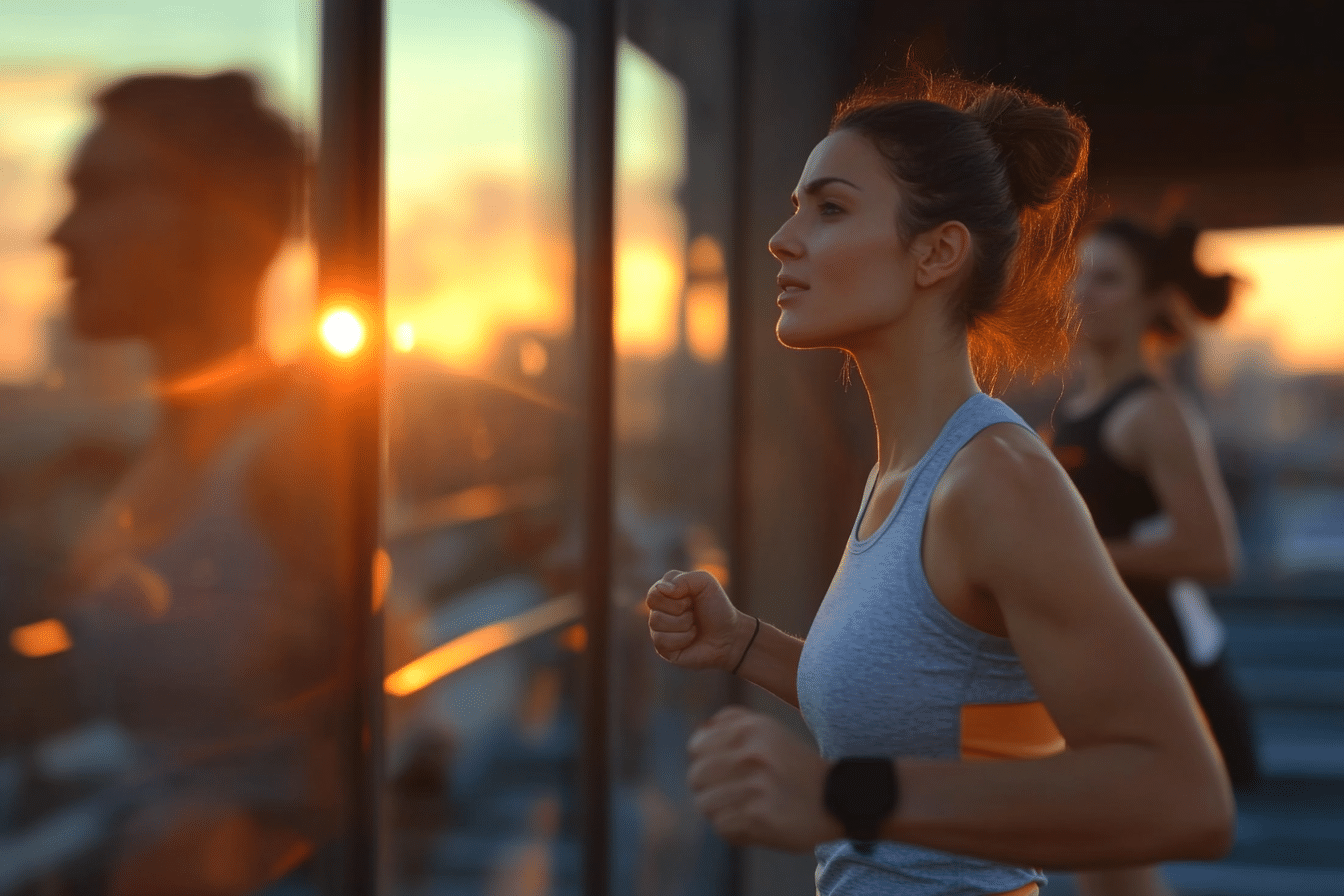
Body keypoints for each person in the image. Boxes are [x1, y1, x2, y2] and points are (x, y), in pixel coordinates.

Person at [645, 70, 1233, 896]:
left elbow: (1182, 797)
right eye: (796, 206)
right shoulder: (910, 468)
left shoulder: (997, 481)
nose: (783, 237)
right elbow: (922, 713)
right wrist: (745, 643)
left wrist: (836, 796)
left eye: (831, 208)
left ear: (936, 253)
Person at [44, 71, 349, 895]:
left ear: (225, 221)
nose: (59, 233)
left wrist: (239, 847)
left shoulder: (296, 460)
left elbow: (388, 748)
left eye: (98, 193)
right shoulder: (159, 454)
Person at [1057, 218, 1257, 896]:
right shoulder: (1077, 408)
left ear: (1151, 300)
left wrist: (1078, 558)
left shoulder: (1152, 413)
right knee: (1107, 870)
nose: (1085, 291)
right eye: (1081, 274)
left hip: (1158, 668)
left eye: (1108, 278)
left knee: (1114, 866)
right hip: (1105, 665)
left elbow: (1213, 553)